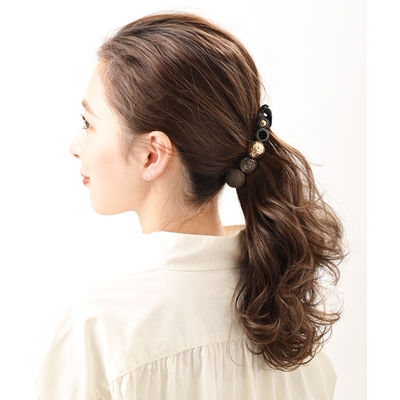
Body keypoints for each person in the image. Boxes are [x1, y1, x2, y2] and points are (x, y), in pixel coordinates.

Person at [34, 11, 345, 400]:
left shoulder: (91, 335)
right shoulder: (292, 332)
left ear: (152, 155)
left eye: (88, 123)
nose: (75, 146)